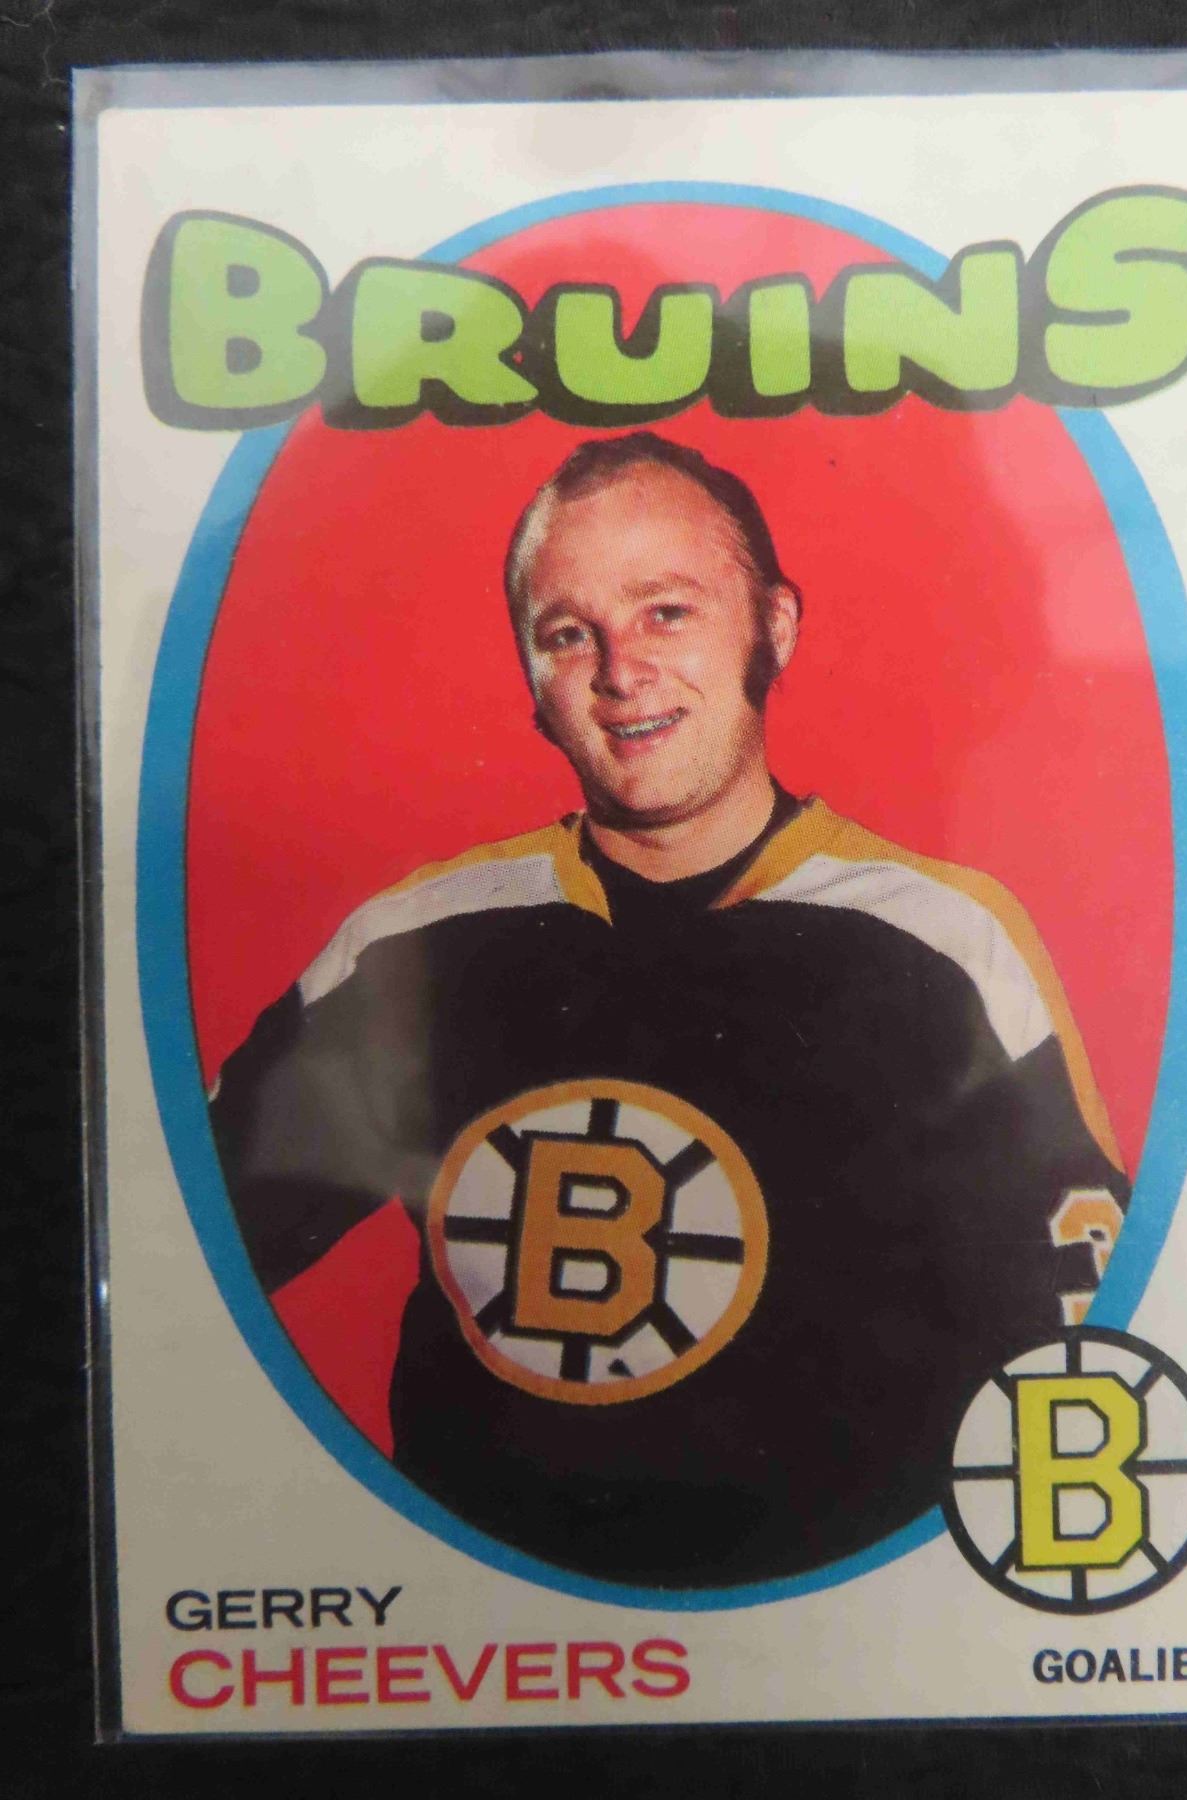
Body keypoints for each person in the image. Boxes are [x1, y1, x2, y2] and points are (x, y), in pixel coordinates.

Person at [210, 432, 1129, 1588]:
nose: (621, 671)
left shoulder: (946, 940)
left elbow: (1087, 1340)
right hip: (492, 1625)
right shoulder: (409, 945)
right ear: (532, 679)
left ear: (774, 628)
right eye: (568, 633)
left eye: (666, 613)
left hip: (844, 1629)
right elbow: (170, 1264)